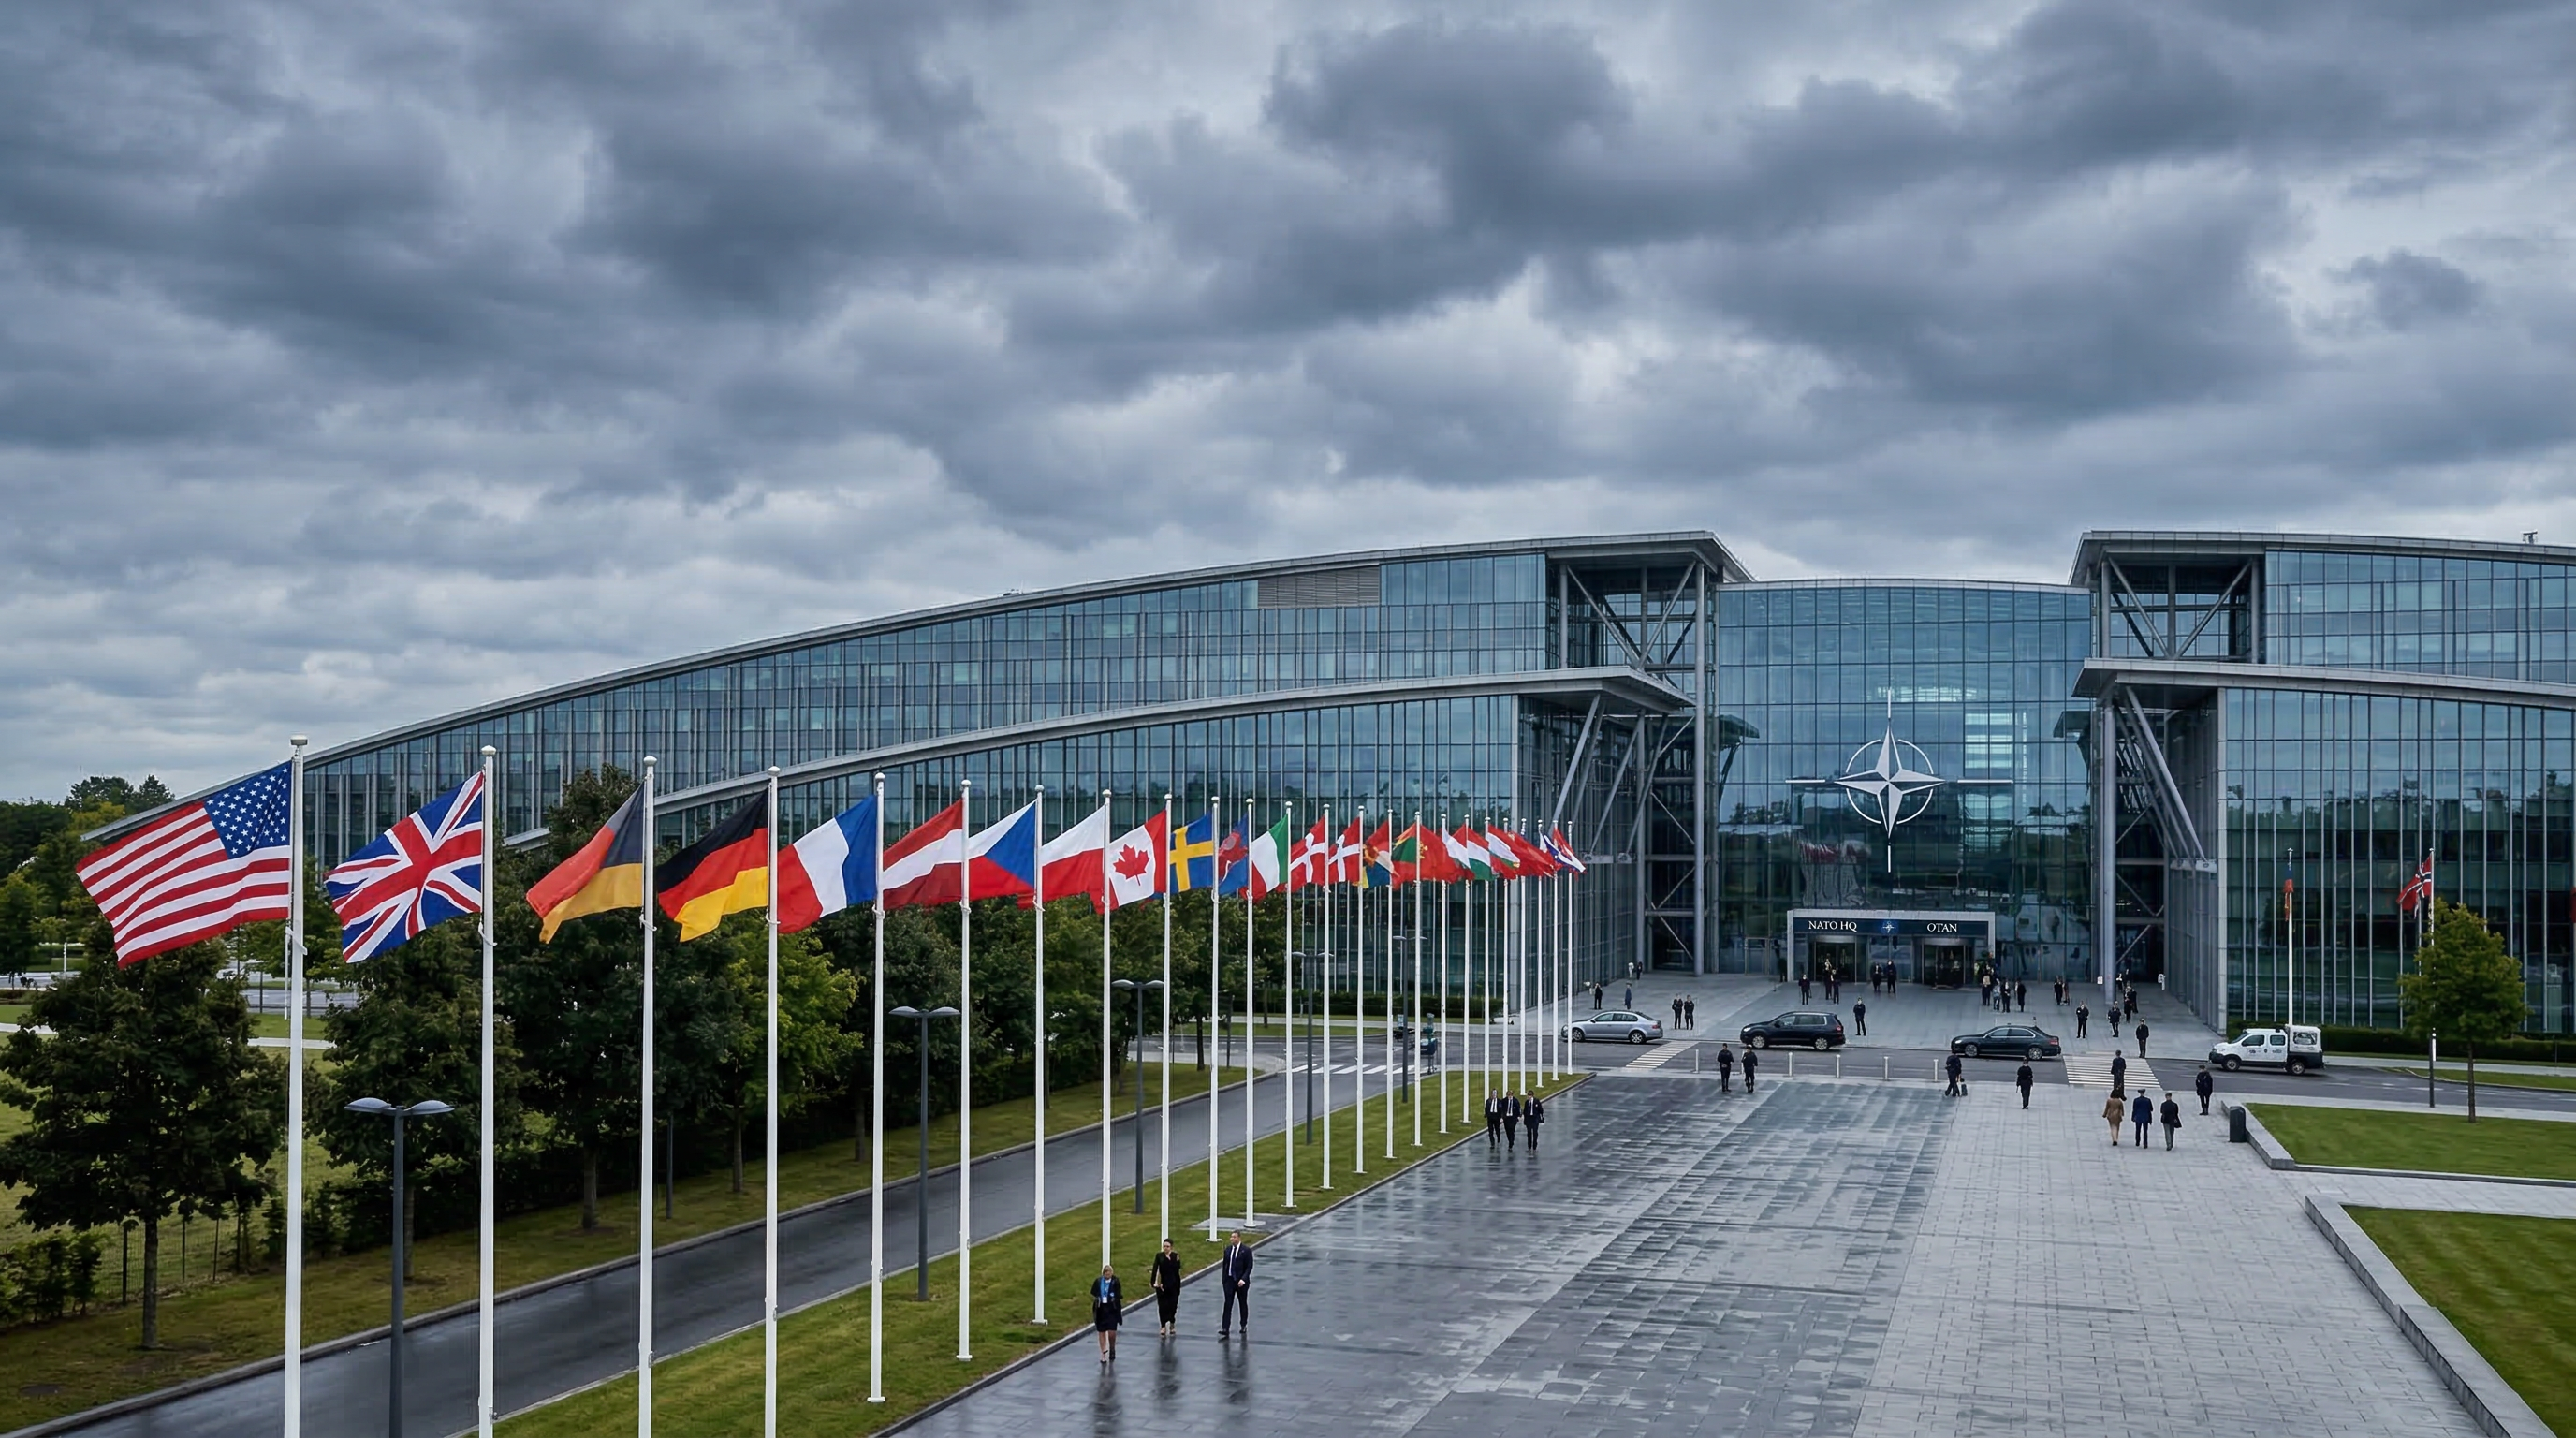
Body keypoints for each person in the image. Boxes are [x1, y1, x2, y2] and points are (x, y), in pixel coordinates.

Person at [1219, 1231, 1254, 1337]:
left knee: (1242, 1303)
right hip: (1229, 1281)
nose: (1232, 1239)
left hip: (1241, 1282)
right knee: (1228, 1304)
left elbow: (1249, 1266)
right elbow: (1225, 1265)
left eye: (1234, 1237)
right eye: (1231, 1237)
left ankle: (1243, 1325)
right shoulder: (1228, 1250)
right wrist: (1224, 1279)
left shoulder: (1246, 1251)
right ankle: (1225, 1327)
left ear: (1239, 1238)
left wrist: (1244, 1279)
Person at [1150, 1238, 1183, 1337]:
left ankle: (1172, 1322)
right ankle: (1163, 1326)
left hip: (1174, 1285)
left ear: (1171, 1247)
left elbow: (1177, 1270)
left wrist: (1176, 1261)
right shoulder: (1159, 1256)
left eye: (1168, 1246)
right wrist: (1153, 1282)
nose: (1166, 1248)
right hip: (1162, 1285)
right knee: (1162, 1306)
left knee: (1173, 1305)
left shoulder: (1175, 1256)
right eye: (1164, 1246)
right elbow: (1155, 1268)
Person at [1092, 1265, 1125, 1361]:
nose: (1108, 1274)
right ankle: (1103, 1353)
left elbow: (1119, 1294)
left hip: (1112, 1309)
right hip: (1101, 1308)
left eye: (1109, 1272)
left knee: (1112, 1332)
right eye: (1106, 1272)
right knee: (1101, 1331)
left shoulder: (1115, 1281)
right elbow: (1094, 1292)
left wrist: (1114, 1298)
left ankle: (1112, 1348)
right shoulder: (1099, 1281)